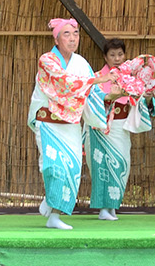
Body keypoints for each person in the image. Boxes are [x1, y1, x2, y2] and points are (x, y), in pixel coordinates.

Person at [31, 17, 95, 230]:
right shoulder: (47, 60)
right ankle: (55, 214)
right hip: (48, 122)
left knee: (72, 167)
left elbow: (91, 93)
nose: (72, 38)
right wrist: (96, 80)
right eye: (66, 34)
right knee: (53, 166)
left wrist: (117, 92)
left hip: (71, 126)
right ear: (56, 39)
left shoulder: (81, 63)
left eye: (75, 34)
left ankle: (55, 209)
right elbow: (64, 84)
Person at [84, 38, 153, 221]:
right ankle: (103, 209)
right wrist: (110, 96)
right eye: (112, 55)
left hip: (121, 127)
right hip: (101, 128)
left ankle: (113, 206)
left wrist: (146, 97)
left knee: (122, 164)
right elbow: (90, 101)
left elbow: (141, 105)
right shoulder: (99, 77)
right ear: (105, 57)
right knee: (102, 167)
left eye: (120, 54)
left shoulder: (132, 79)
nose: (117, 58)